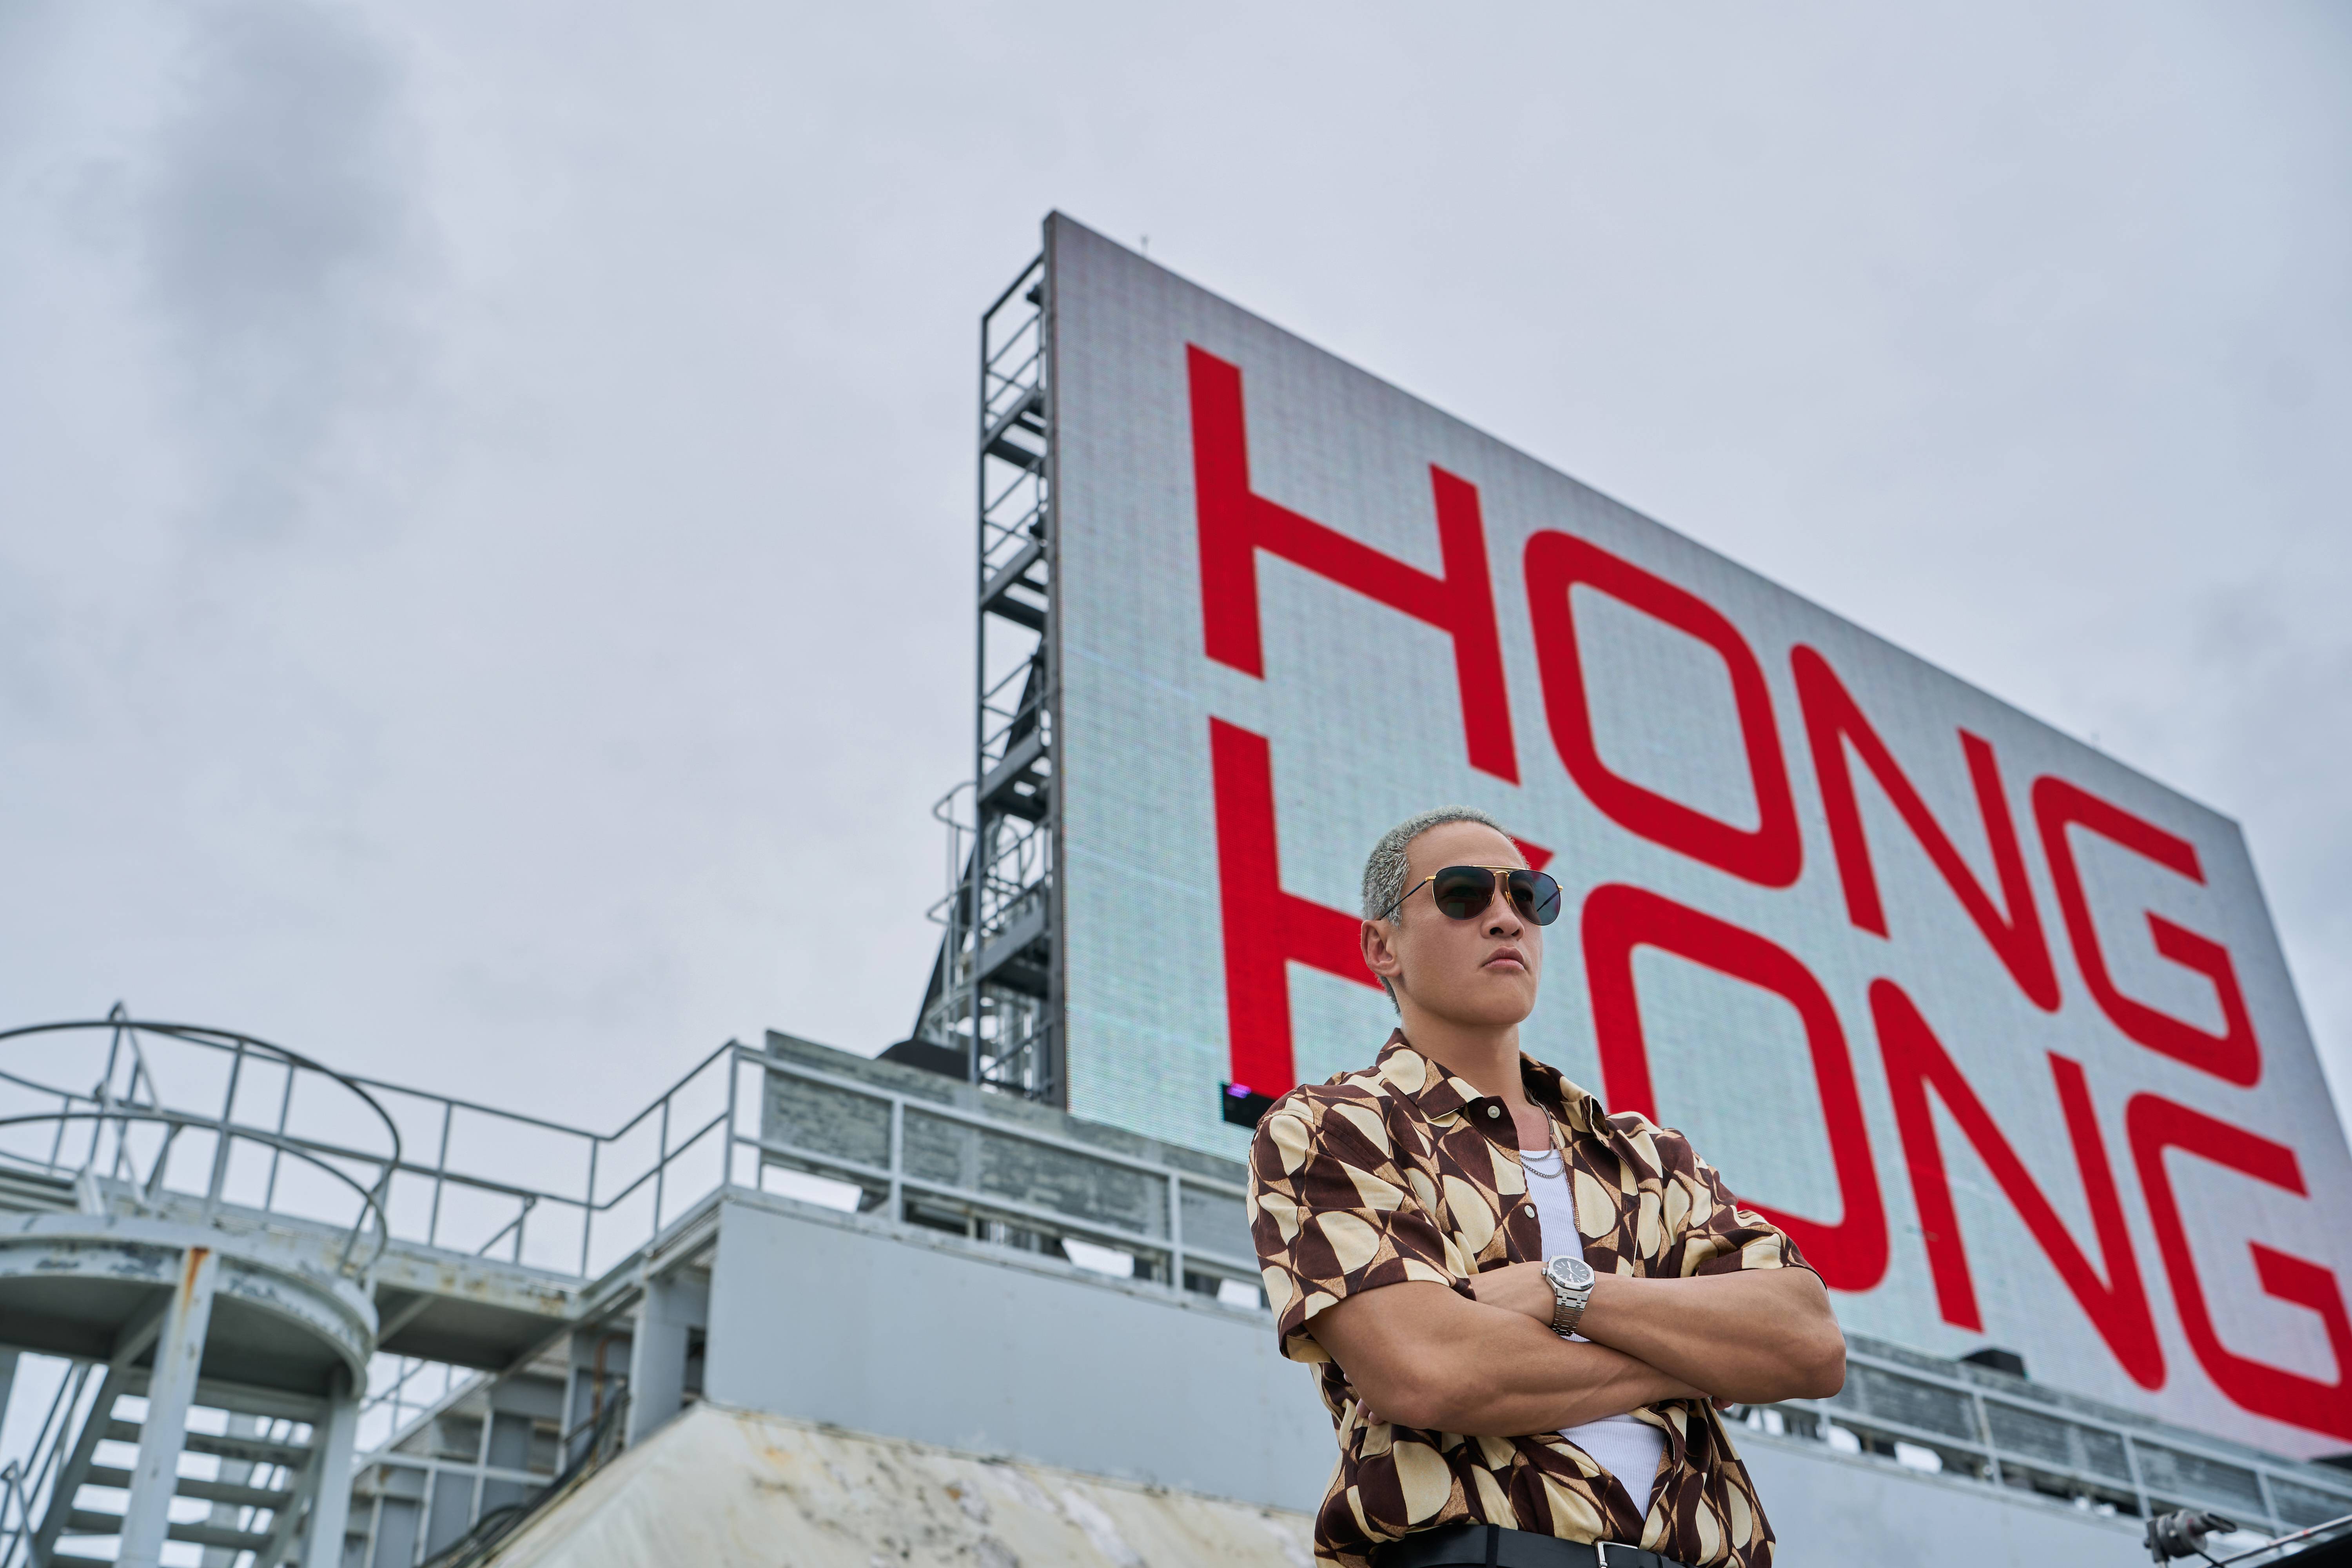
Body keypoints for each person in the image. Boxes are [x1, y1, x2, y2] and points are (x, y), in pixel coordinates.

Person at [1247, 807, 1846, 1568]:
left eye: (1529, 897)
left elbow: (1809, 1344)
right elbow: (1429, 1370)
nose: (1507, 918)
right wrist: (1697, 1363)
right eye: (1464, 894)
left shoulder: (1649, 1157)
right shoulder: (1334, 1126)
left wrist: (1562, 1290)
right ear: (1382, 945)